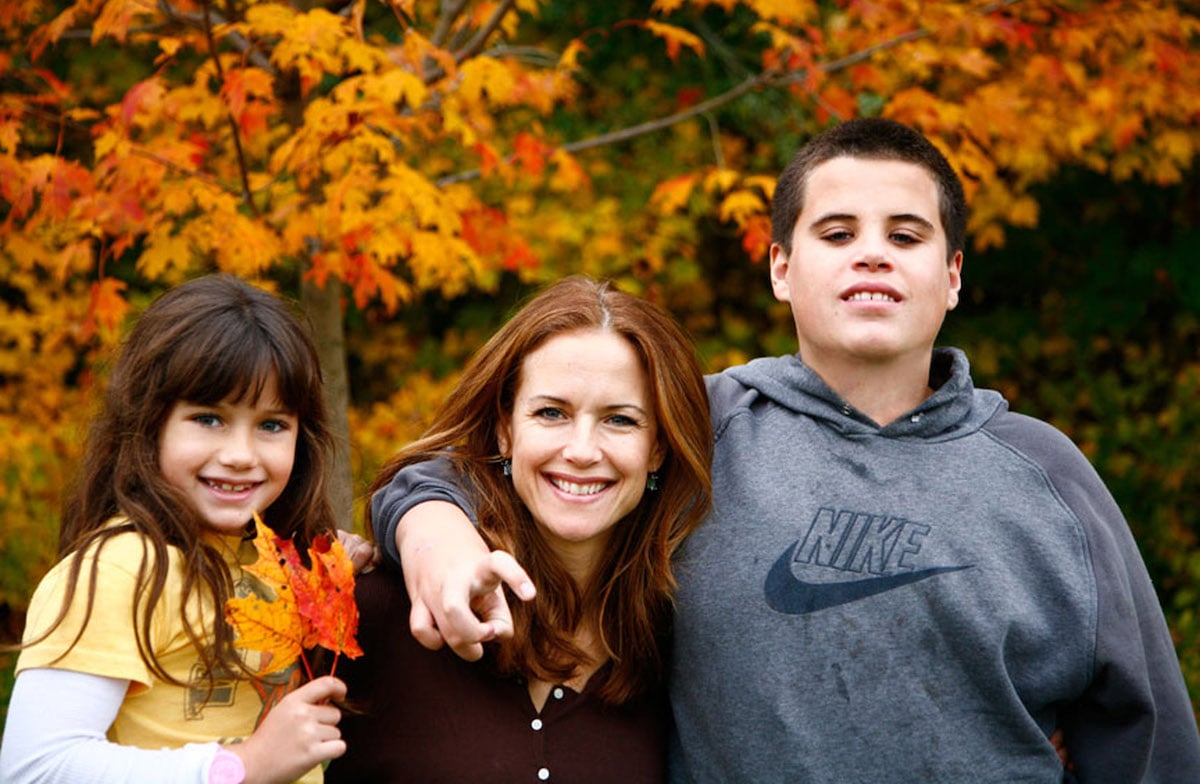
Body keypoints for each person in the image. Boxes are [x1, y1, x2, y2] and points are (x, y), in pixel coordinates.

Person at [371, 118, 1200, 781]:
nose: (871, 251)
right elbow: (489, 465)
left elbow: (1148, 733)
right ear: (780, 267)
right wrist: (433, 532)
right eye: (837, 232)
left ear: (951, 277)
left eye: (905, 236)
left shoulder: (1045, 477)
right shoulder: (698, 425)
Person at [325, 275, 712, 783]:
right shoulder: (382, 606)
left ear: (658, 447)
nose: (581, 450)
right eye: (551, 413)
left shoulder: (677, 643)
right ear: (506, 430)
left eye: (619, 420)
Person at [0, 274, 349, 784]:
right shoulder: (124, 567)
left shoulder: (274, 556)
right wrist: (241, 767)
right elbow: (35, 767)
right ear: (150, 423)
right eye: (208, 418)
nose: (239, 455)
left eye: (272, 425)